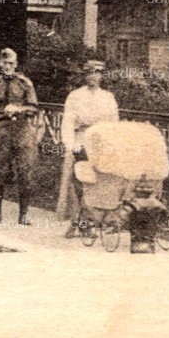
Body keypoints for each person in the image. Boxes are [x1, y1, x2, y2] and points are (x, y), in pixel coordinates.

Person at [57, 58, 120, 236]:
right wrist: (71, 145)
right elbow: (68, 122)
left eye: (97, 73)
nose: (93, 77)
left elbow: (113, 123)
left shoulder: (108, 97)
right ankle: (78, 218)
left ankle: (88, 221)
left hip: (100, 141)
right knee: (78, 181)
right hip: (80, 139)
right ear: (85, 75)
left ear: (102, 76)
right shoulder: (75, 96)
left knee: (97, 181)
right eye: (89, 73)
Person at [0, 47, 40, 224]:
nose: (8, 66)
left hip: (23, 130)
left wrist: (20, 109)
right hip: (3, 131)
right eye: (4, 63)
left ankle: (23, 214)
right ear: (0, 64)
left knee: (25, 173)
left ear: (16, 65)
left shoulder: (25, 83)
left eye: (11, 63)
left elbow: (34, 107)